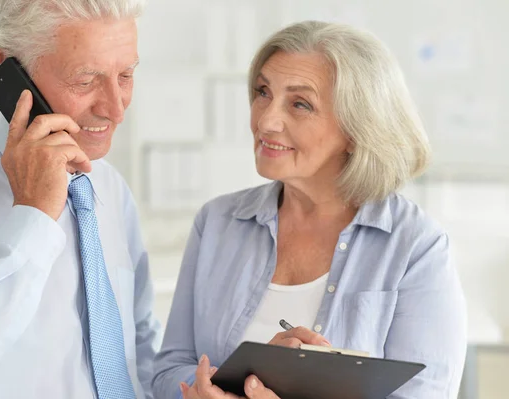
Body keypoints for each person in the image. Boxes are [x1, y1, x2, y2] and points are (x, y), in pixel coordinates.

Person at [153, 20, 467, 399]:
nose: (266, 120)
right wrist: (210, 389)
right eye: (263, 92)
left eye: (300, 103)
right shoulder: (217, 222)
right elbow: (169, 370)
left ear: (356, 129)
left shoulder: (417, 247)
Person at [0, 0, 161, 398]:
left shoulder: (110, 188)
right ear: (12, 67)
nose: (115, 108)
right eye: (86, 80)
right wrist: (33, 216)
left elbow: (141, 348)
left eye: (126, 75)